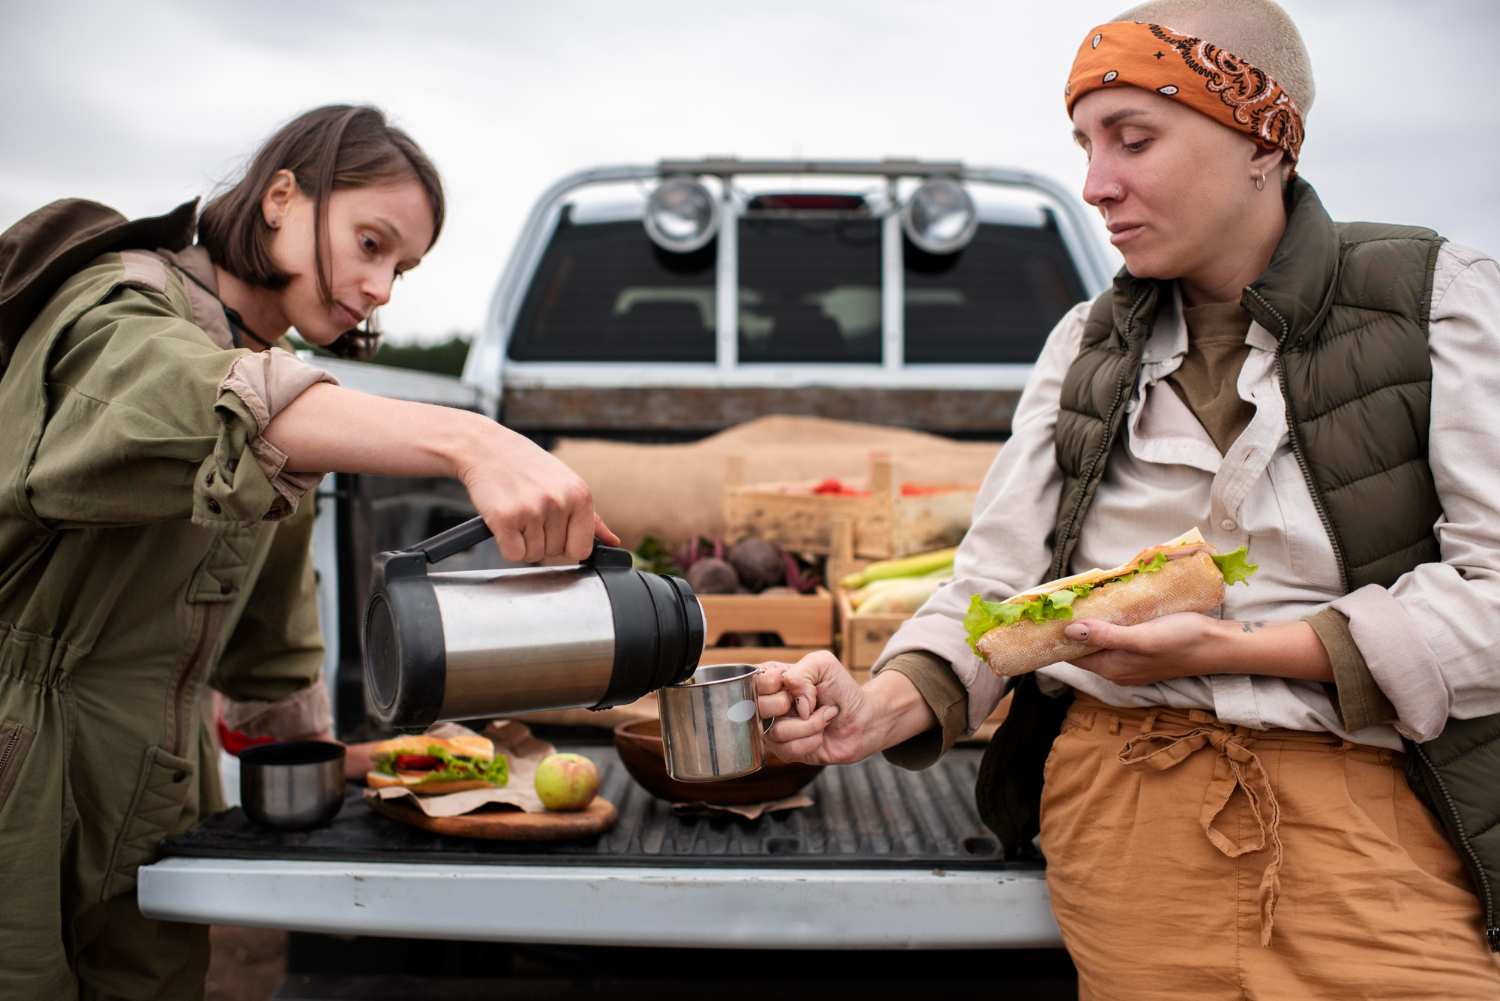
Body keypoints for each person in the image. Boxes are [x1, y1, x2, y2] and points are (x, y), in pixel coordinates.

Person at [755, 1, 1500, 996]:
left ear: (1261, 139)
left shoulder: (1432, 298)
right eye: (1086, 145)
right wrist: (877, 705)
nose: (1097, 185)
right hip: (1126, 812)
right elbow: (996, 587)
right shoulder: (1085, 346)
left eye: (1134, 140)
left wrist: (1243, 649)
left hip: (1370, 811)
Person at [0, 105, 614, 999]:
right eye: (371, 243)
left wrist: (337, 756)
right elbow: (196, 395)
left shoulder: (288, 400)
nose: (381, 288)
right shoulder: (121, 302)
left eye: (400, 268)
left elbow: (272, 644)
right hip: (21, 763)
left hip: (158, 792)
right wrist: (472, 440)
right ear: (282, 197)